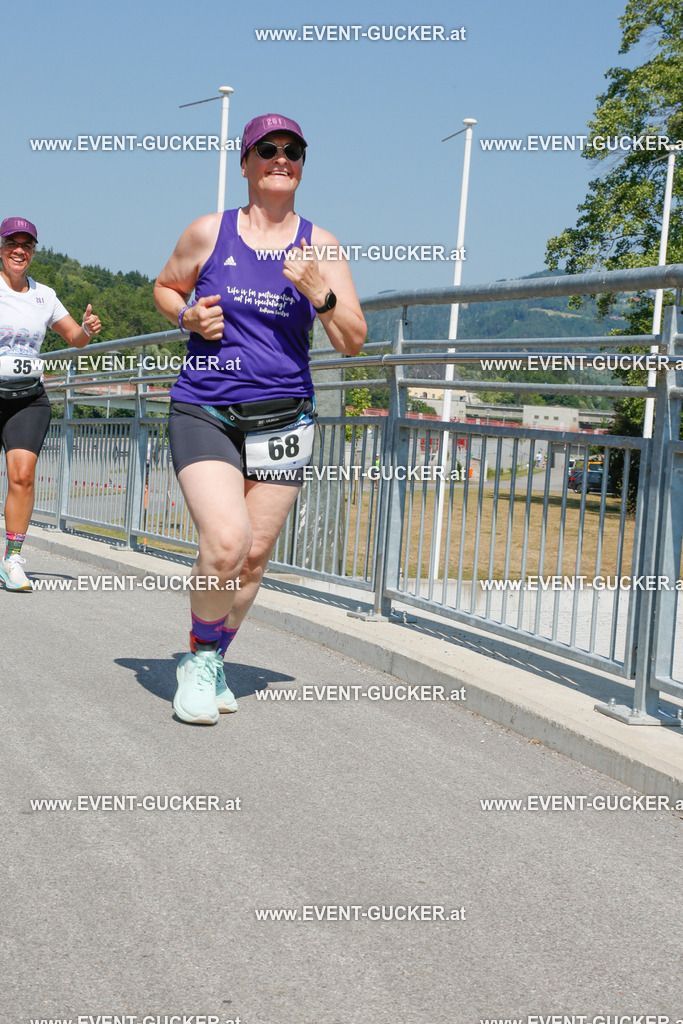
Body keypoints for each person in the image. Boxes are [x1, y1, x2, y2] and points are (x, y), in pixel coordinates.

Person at [154, 113, 366, 725]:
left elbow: (352, 341)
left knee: (253, 559)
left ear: (302, 164)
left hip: (284, 420)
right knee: (226, 541)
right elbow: (166, 287)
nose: (282, 158)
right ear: (245, 163)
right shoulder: (208, 231)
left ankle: (215, 657)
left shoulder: (321, 247)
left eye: (293, 150)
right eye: (267, 149)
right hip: (206, 407)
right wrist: (187, 316)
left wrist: (319, 292)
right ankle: (197, 659)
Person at [0, 217, 101, 591]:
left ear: (34, 252)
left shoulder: (45, 295)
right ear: (1, 247)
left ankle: (12, 559)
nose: (19, 250)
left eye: (27, 245)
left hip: (28, 398)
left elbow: (74, 338)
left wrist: (87, 330)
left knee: (23, 476)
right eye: (12, 243)